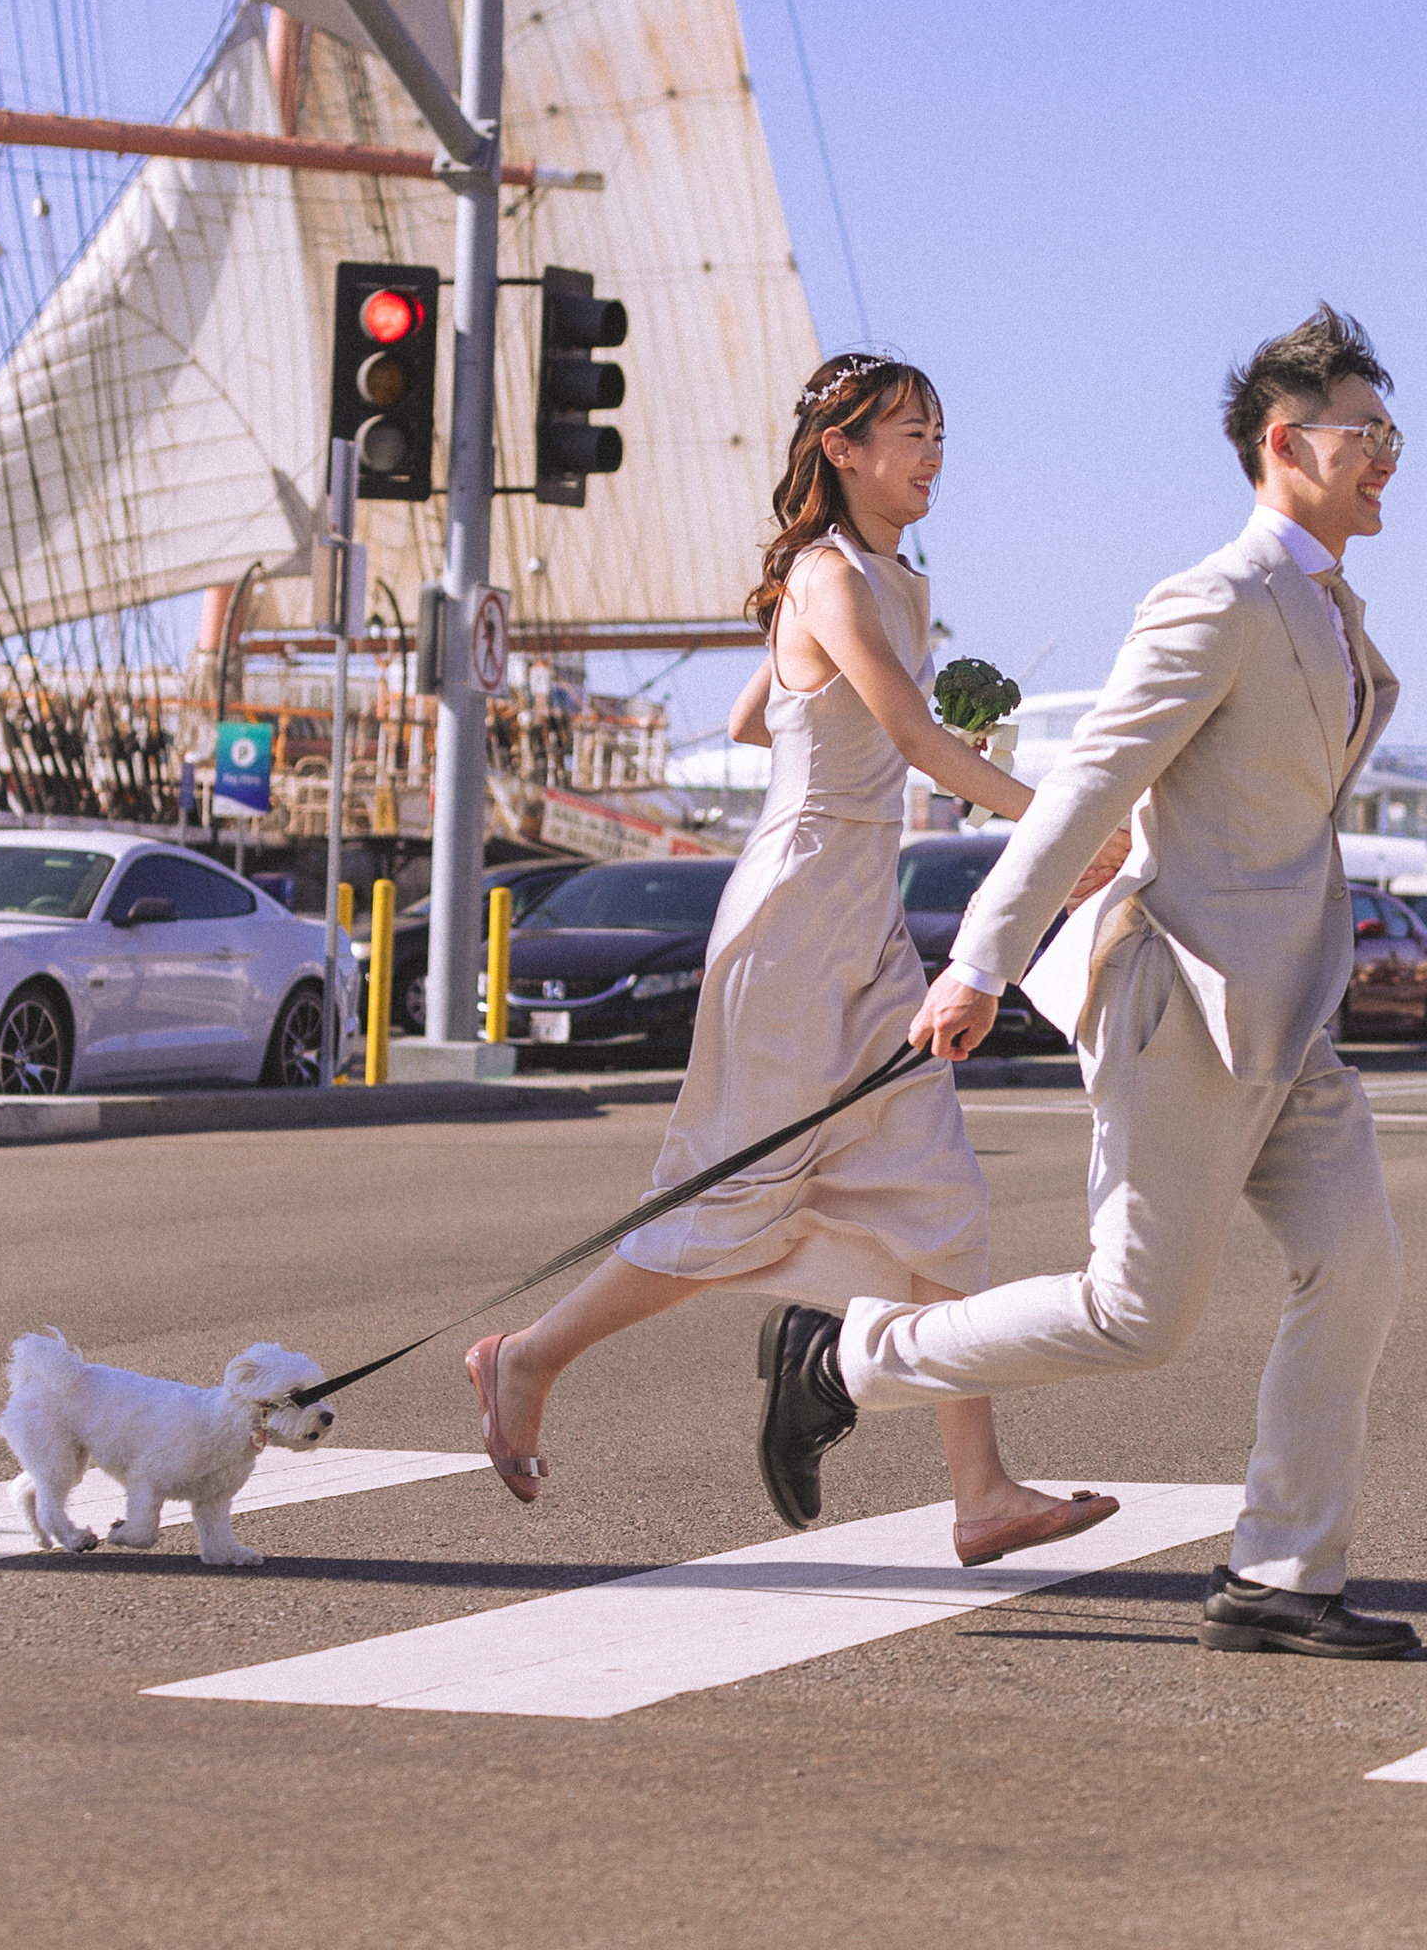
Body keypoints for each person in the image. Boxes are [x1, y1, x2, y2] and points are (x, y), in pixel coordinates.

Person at [756, 304, 1424, 1660]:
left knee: (1356, 1268)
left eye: (1392, 435)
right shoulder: (1219, 599)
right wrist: (981, 962)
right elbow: (1086, 792)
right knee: (1136, 1318)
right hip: (1179, 1002)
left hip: (1286, 1012)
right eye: (1366, 433)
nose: (1386, 459)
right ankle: (843, 1360)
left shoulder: (1330, 608)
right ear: (1285, 444)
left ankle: (1283, 1575)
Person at [465, 352, 1120, 1570]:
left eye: (938, 432)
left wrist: (831, 701)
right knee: (734, 1199)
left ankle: (981, 1494)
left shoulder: (889, 582)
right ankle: (527, 1359)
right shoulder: (827, 574)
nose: (931, 453)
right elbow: (912, 739)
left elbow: (749, 719)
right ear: (843, 449)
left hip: (860, 920)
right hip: (793, 919)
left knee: (939, 1201)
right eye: (909, 432)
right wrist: (1063, 825)